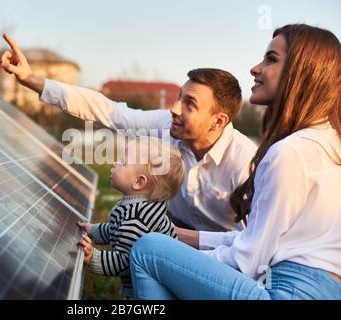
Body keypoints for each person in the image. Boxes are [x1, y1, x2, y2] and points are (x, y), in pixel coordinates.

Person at [128, 24, 341, 300]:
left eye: (271, 59)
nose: (255, 68)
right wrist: (177, 236)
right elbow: (257, 238)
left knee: (148, 250)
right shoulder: (330, 143)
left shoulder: (290, 153)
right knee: (162, 246)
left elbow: (248, 261)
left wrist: (177, 261)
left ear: (303, 73)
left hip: (286, 292)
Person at [0, 34, 258, 233]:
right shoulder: (166, 125)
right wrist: (30, 79)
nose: (174, 108)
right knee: (134, 218)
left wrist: (176, 237)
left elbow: (252, 242)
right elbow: (106, 110)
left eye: (189, 104)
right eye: (179, 97)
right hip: (170, 230)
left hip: (220, 254)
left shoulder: (246, 162)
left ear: (218, 121)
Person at [76, 136, 184, 298]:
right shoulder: (137, 206)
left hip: (148, 288)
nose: (115, 163)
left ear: (139, 182)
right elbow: (117, 229)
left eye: (122, 163)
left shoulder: (137, 219)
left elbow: (125, 261)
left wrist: (94, 257)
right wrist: (93, 230)